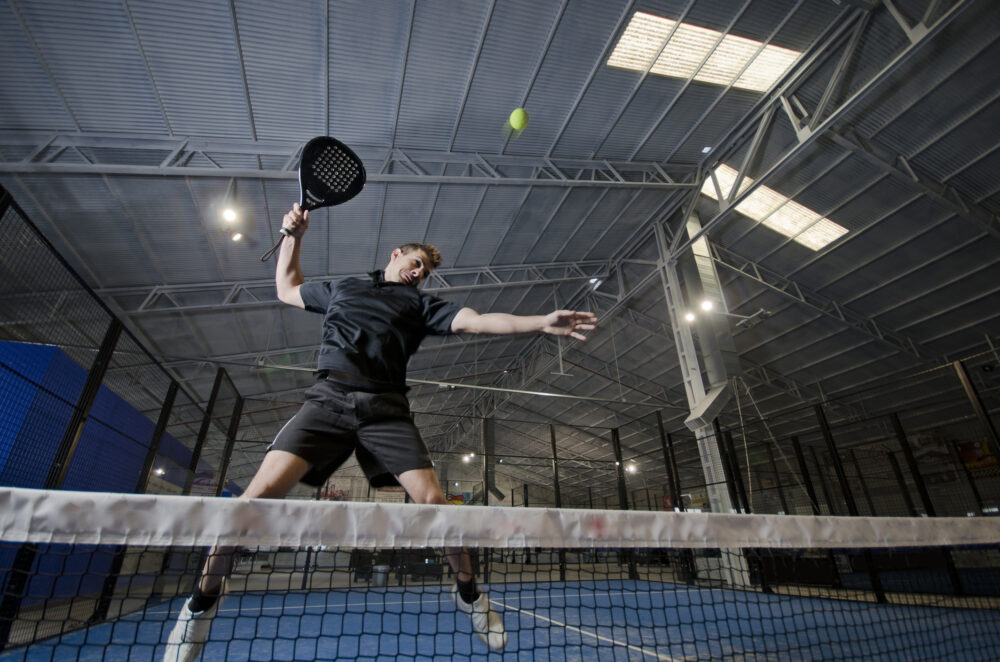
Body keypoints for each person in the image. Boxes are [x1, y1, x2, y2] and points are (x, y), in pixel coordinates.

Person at [164, 203, 598, 661]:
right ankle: (200, 606)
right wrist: (293, 236)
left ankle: (470, 595)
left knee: (435, 505)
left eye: (425, 271)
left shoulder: (421, 305)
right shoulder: (344, 288)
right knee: (249, 504)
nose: (419, 273)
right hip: (328, 401)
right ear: (396, 255)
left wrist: (539, 323)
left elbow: (476, 321)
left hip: (386, 410)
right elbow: (287, 289)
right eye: (417, 263)